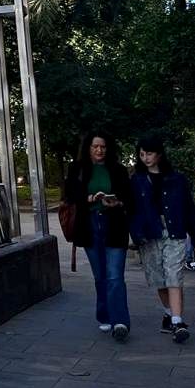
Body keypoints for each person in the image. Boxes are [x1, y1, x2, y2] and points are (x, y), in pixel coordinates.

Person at [129, 135, 195, 343]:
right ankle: (169, 314)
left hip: (174, 231)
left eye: (149, 153)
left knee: (173, 274)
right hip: (150, 234)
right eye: (142, 154)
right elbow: (132, 211)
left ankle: (178, 321)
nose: (146, 158)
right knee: (159, 278)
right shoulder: (137, 180)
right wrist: (136, 234)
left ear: (159, 154)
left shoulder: (177, 179)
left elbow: (188, 208)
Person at [64, 130, 133, 341]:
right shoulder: (77, 169)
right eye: (95, 146)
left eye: (103, 146)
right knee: (100, 275)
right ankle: (104, 314)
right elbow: (70, 195)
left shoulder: (118, 170)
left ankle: (120, 321)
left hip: (114, 225)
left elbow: (127, 197)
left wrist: (116, 201)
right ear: (88, 148)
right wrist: (91, 197)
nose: (99, 150)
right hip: (89, 225)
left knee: (115, 275)